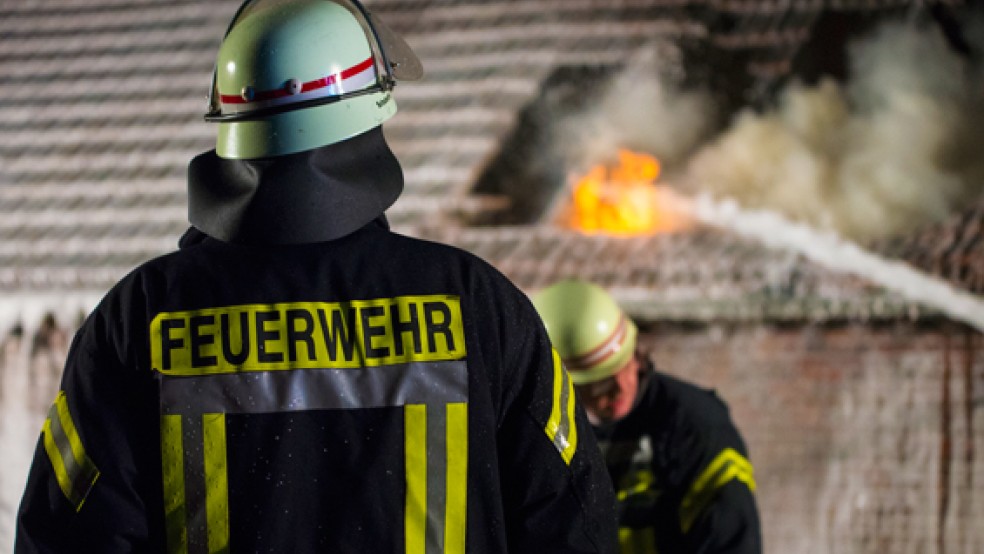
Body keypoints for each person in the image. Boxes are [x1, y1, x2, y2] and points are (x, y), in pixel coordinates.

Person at [14, 2, 618, 552]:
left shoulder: (139, 316)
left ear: (230, 127)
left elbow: (68, 538)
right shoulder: (477, 303)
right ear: (369, 117)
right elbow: (573, 524)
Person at [532, 279, 761, 554]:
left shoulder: (695, 426)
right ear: (560, 383)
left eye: (626, 364)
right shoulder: (536, 435)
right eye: (600, 383)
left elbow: (731, 541)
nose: (621, 387)